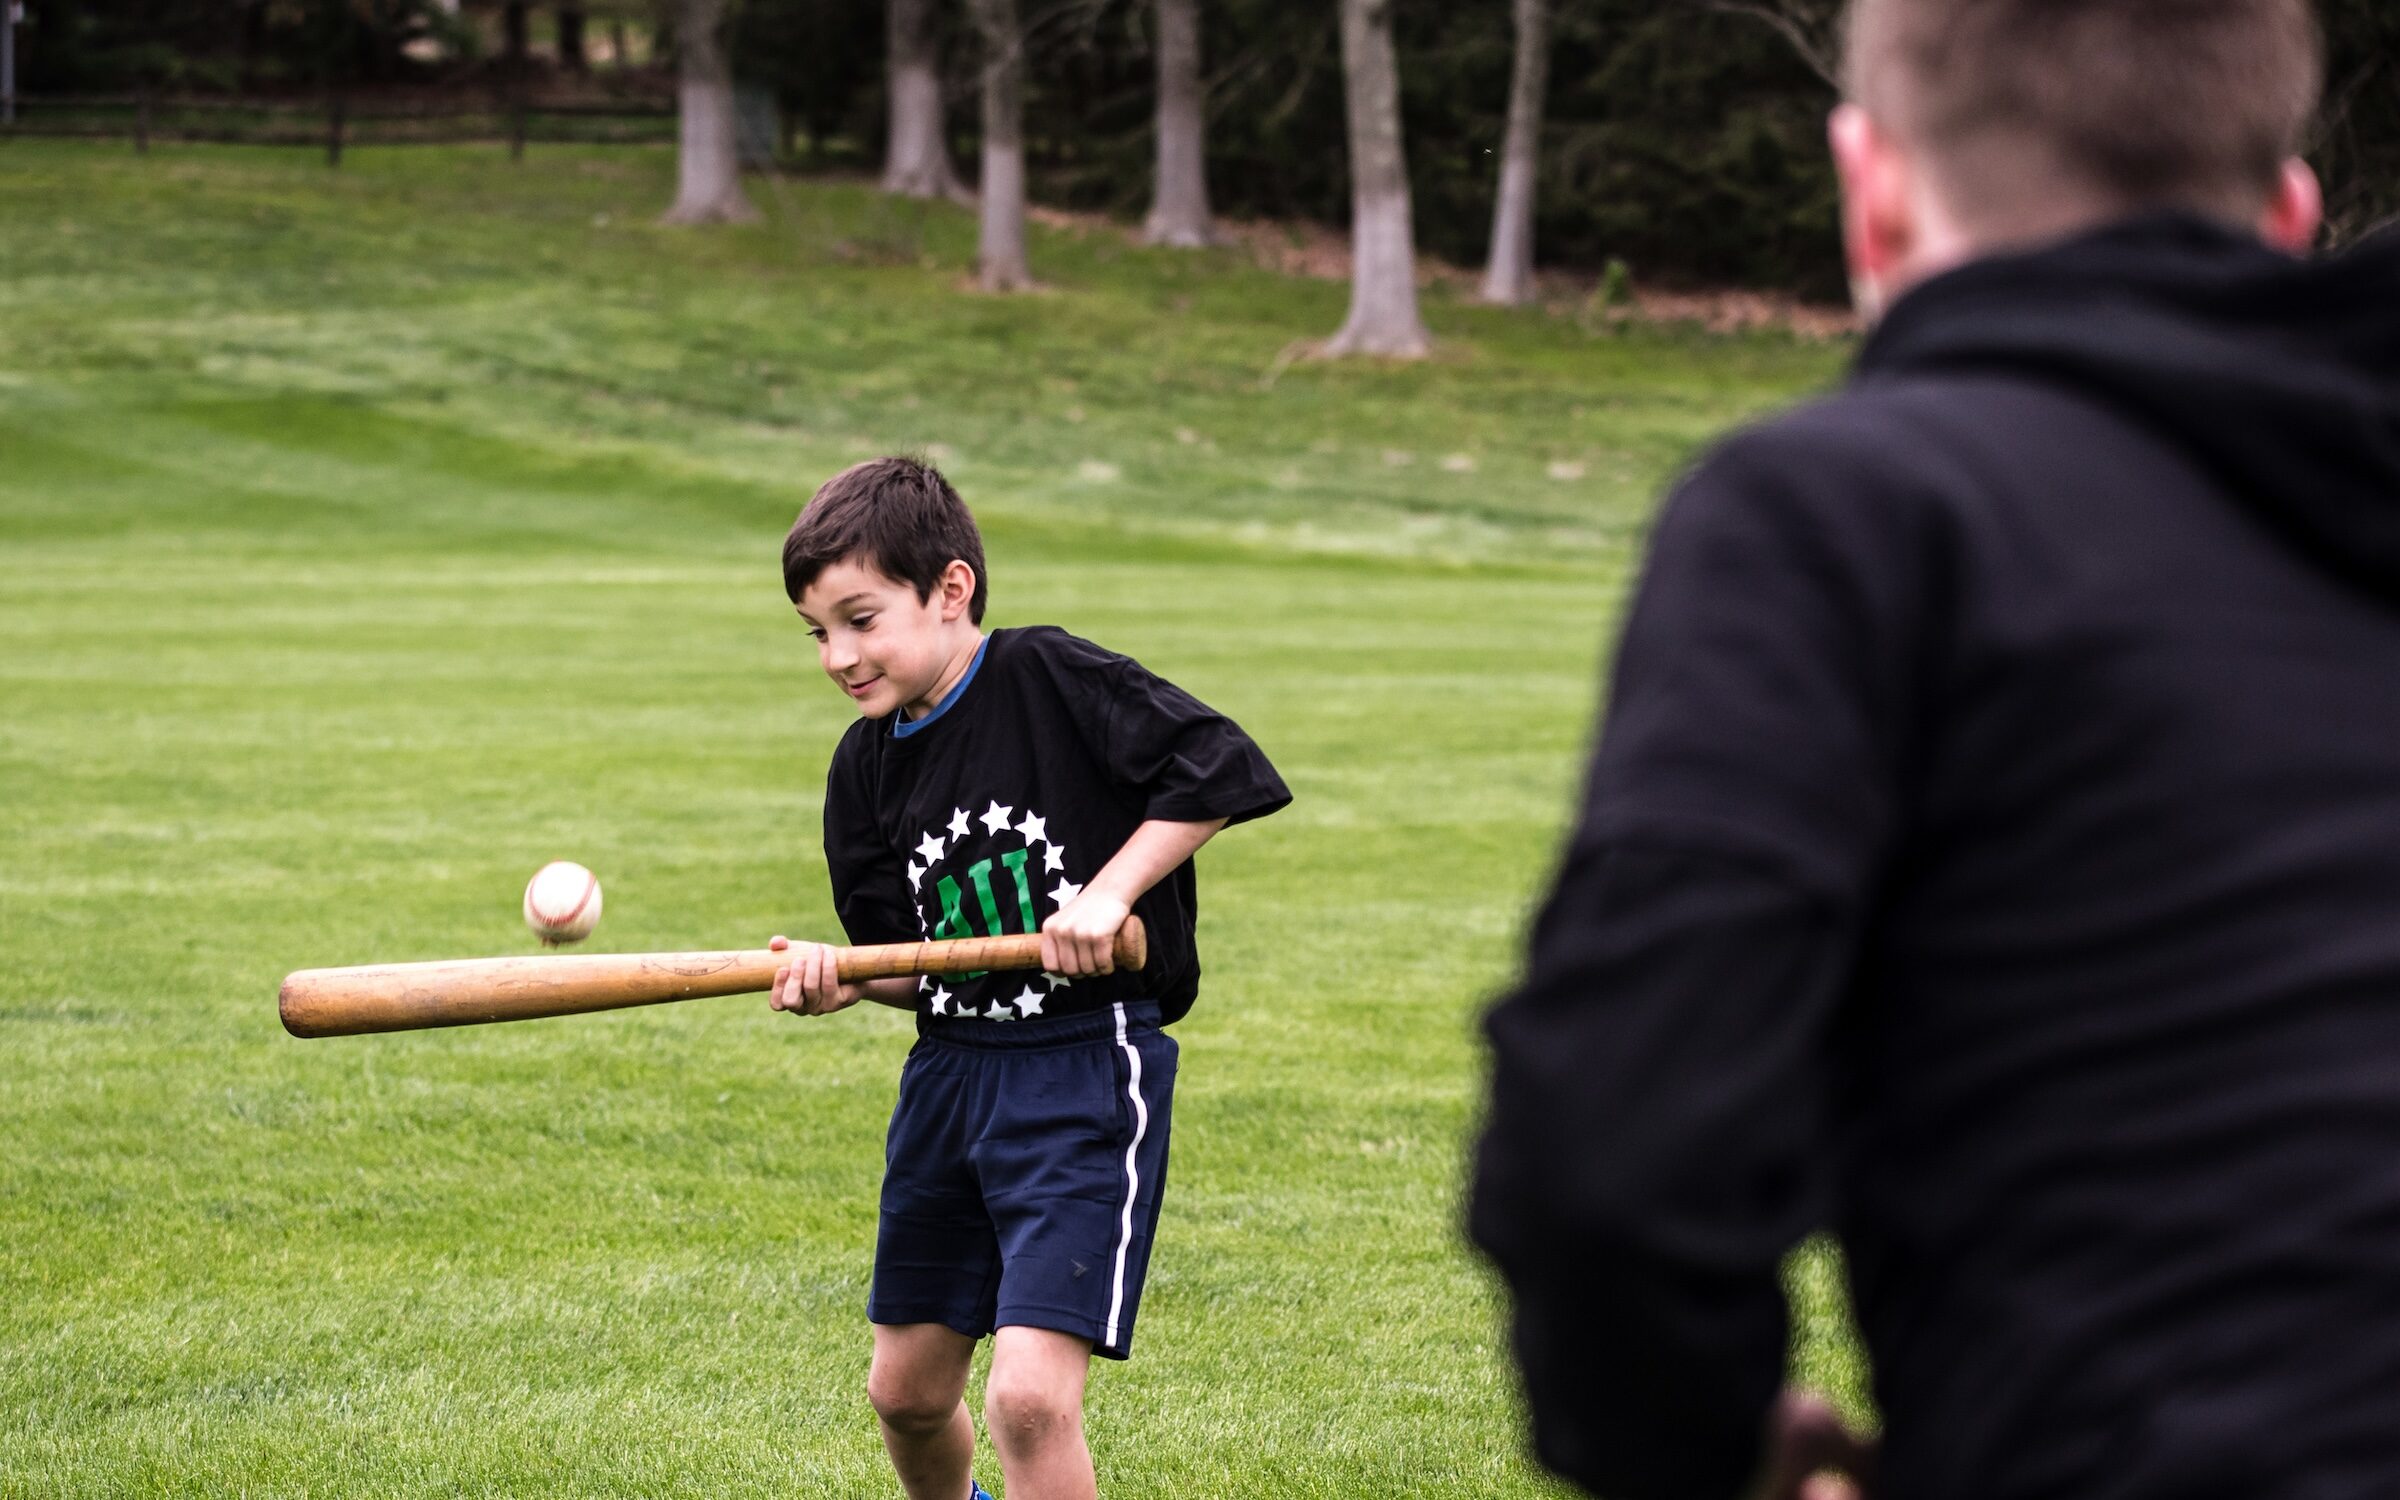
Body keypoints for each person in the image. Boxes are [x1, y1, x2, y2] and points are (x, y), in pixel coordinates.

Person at [1470, 1, 2400, 1496]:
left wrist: (1714, 1456)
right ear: (2286, 217)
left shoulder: (1851, 517)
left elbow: (1615, 1164)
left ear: (1873, 187)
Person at [765, 457, 1289, 1500]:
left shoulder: (1047, 678)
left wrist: (1112, 892)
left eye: (861, 619)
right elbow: (916, 968)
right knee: (906, 1393)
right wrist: (848, 982)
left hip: (1081, 1074)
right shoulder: (864, 769)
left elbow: (1221, 766)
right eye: (819, 632)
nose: (838, 655)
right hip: (951, 1080)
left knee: (1029, 1401)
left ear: (950, 590)